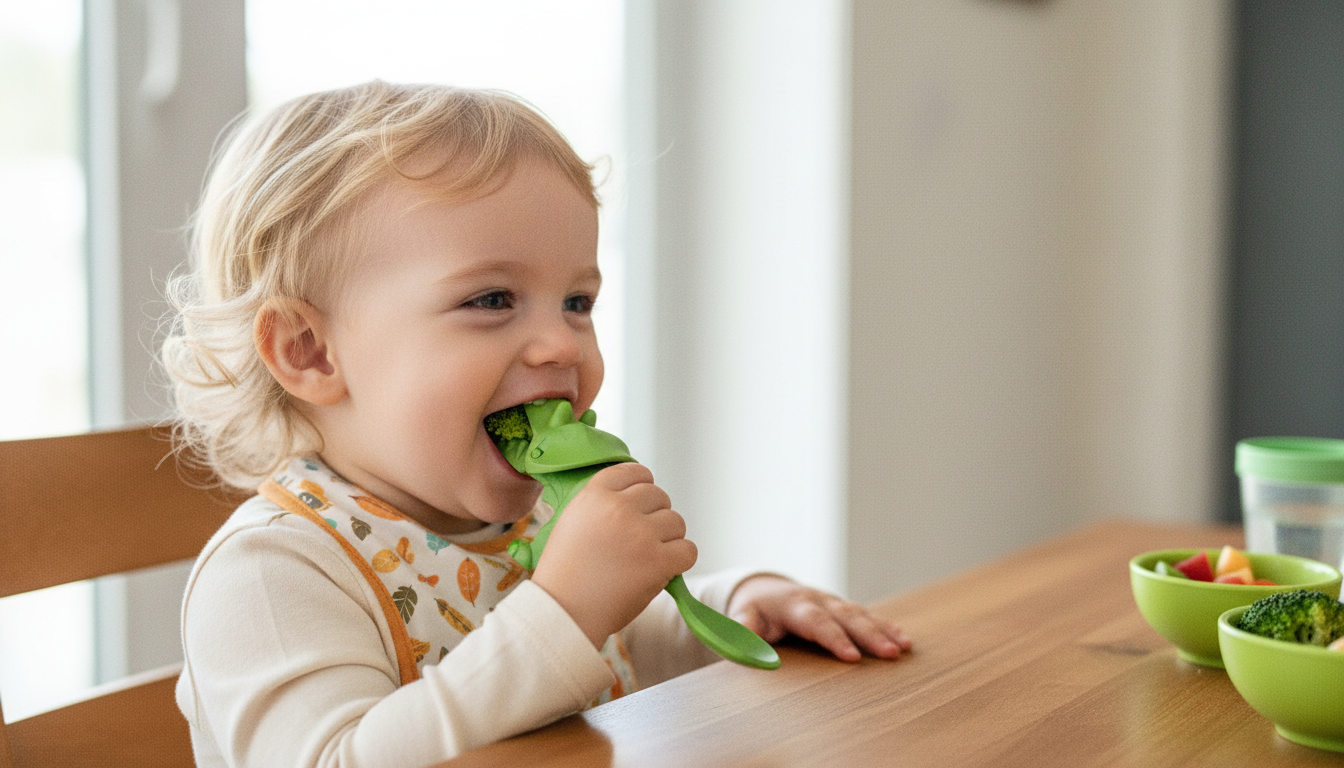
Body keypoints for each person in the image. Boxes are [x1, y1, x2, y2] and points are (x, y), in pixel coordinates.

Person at [161, 80, 912, 768]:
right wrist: (565, 608)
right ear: (310, 352)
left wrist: (732, 605)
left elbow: (615, 645)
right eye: (491, 300)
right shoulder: (272, 572)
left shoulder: (507, 521)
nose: (562, 344)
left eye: (577, 302)